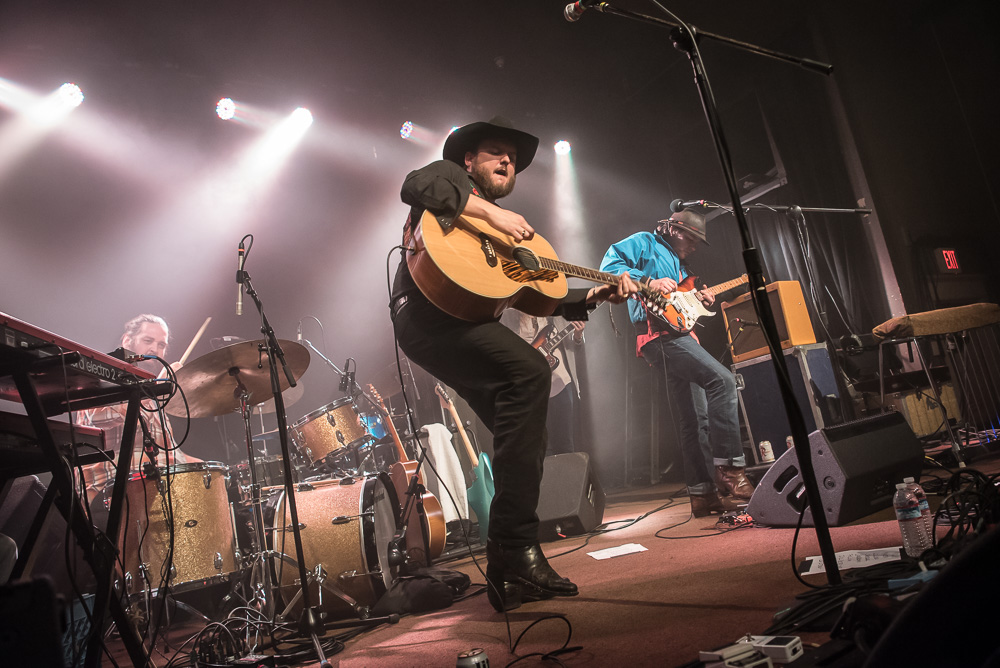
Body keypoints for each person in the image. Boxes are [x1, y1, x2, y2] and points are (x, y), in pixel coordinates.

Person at [388, 116, 636, 612]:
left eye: (514, 160)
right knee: (529, 371)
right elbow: (415, 184)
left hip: (462, 321)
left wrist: (595, 295)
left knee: (520, 423)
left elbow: (535, 293)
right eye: (496, 152)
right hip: (426, 314)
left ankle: (510, 563)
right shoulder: (452, 184)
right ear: (468, 161)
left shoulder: (502, 239)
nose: (507, 162)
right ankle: (516, 549)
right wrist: (489, 213)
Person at [600, 211, 754, 517]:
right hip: (659, 338)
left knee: (693, 419)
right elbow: (608, 266)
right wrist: (649, 281)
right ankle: (731, 470)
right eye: (694, 240)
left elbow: (682, 302)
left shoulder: (681, 264)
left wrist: (701, 299)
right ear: (675, 230)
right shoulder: (644, 242)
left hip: (681, 337)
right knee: (722, 381)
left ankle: (702, 494)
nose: (696, 247)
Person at [76, 314, 199, 503]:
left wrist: (209, 468)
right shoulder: (103, 376)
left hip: (155, 490)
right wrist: (153, 389)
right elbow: (99, 418)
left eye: (161, 345)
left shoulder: (152, 396)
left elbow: (170, 456)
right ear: (127, 340)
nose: (155, 349)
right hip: (109, 494)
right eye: (148, 341)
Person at [503, 311, 585, 455]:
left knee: (566, 444)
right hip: (531, 390)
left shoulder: (554, 313)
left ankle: (567, 477)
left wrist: (578, 336)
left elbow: (573, 348)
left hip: (561, 384)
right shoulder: (506, 317)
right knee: (542, 447)